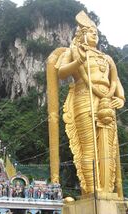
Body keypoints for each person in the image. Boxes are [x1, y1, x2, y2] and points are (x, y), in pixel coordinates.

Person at [47, 11, 125, 194]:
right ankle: (92, 189)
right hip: (84, 96)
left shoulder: (107, 58)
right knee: (88, 147)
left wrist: (119, 97)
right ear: (81, 35)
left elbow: (117, 82)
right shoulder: (73, 51)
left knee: (108, 148)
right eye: (90, 32)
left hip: (106, 99)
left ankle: (108, 189)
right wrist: (78, 61)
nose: (94, 35)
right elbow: (61, 73)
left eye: (96, 32)